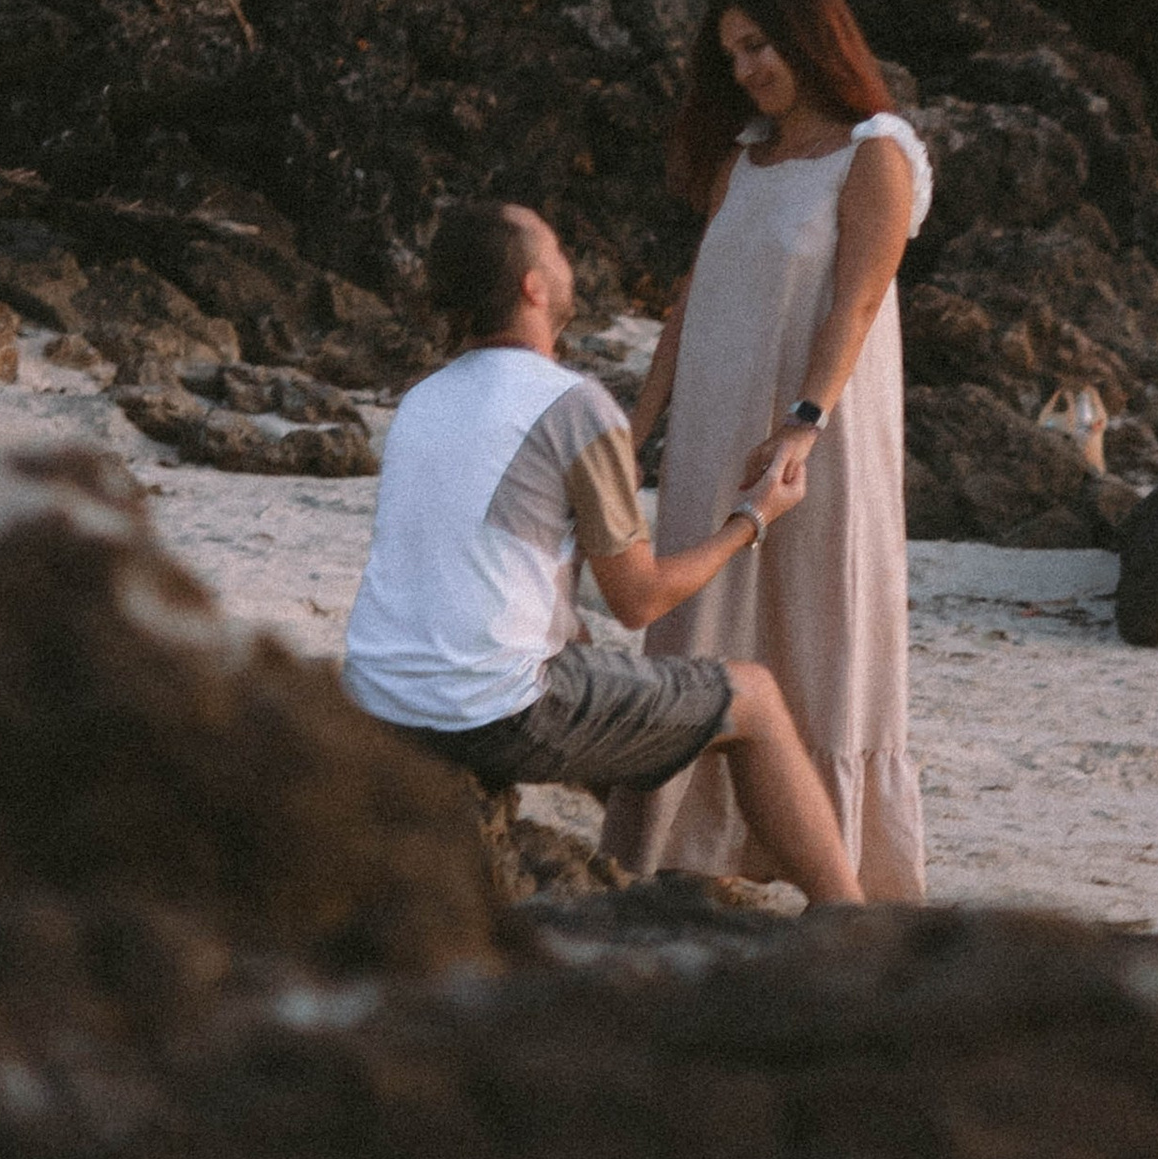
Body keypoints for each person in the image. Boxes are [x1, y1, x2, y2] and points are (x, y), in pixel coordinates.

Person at [341, 197, 864, 906]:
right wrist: (752, 518)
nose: (566, 261)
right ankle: (852, 918)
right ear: (532, 286)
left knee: (599, 667)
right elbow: (638, 597)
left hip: (379, 700)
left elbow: (484, 562)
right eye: (554, 248)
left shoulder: (422, 400)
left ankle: (660, 861)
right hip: (486, 714)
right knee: (756, 700)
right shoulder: (573, 405)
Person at [604, 0, 930, 899]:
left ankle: (836, 869)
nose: (745, 68)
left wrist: (803, 425)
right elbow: (693, 295)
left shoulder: (879, 146)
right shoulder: (743, 156)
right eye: (731, 53)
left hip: (818, 431)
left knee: (823, 625)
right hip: (716, 426)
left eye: (758, 44)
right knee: (702, 622)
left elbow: (859, 300)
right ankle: (681, 854)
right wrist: (637, 426)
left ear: (811, 36)